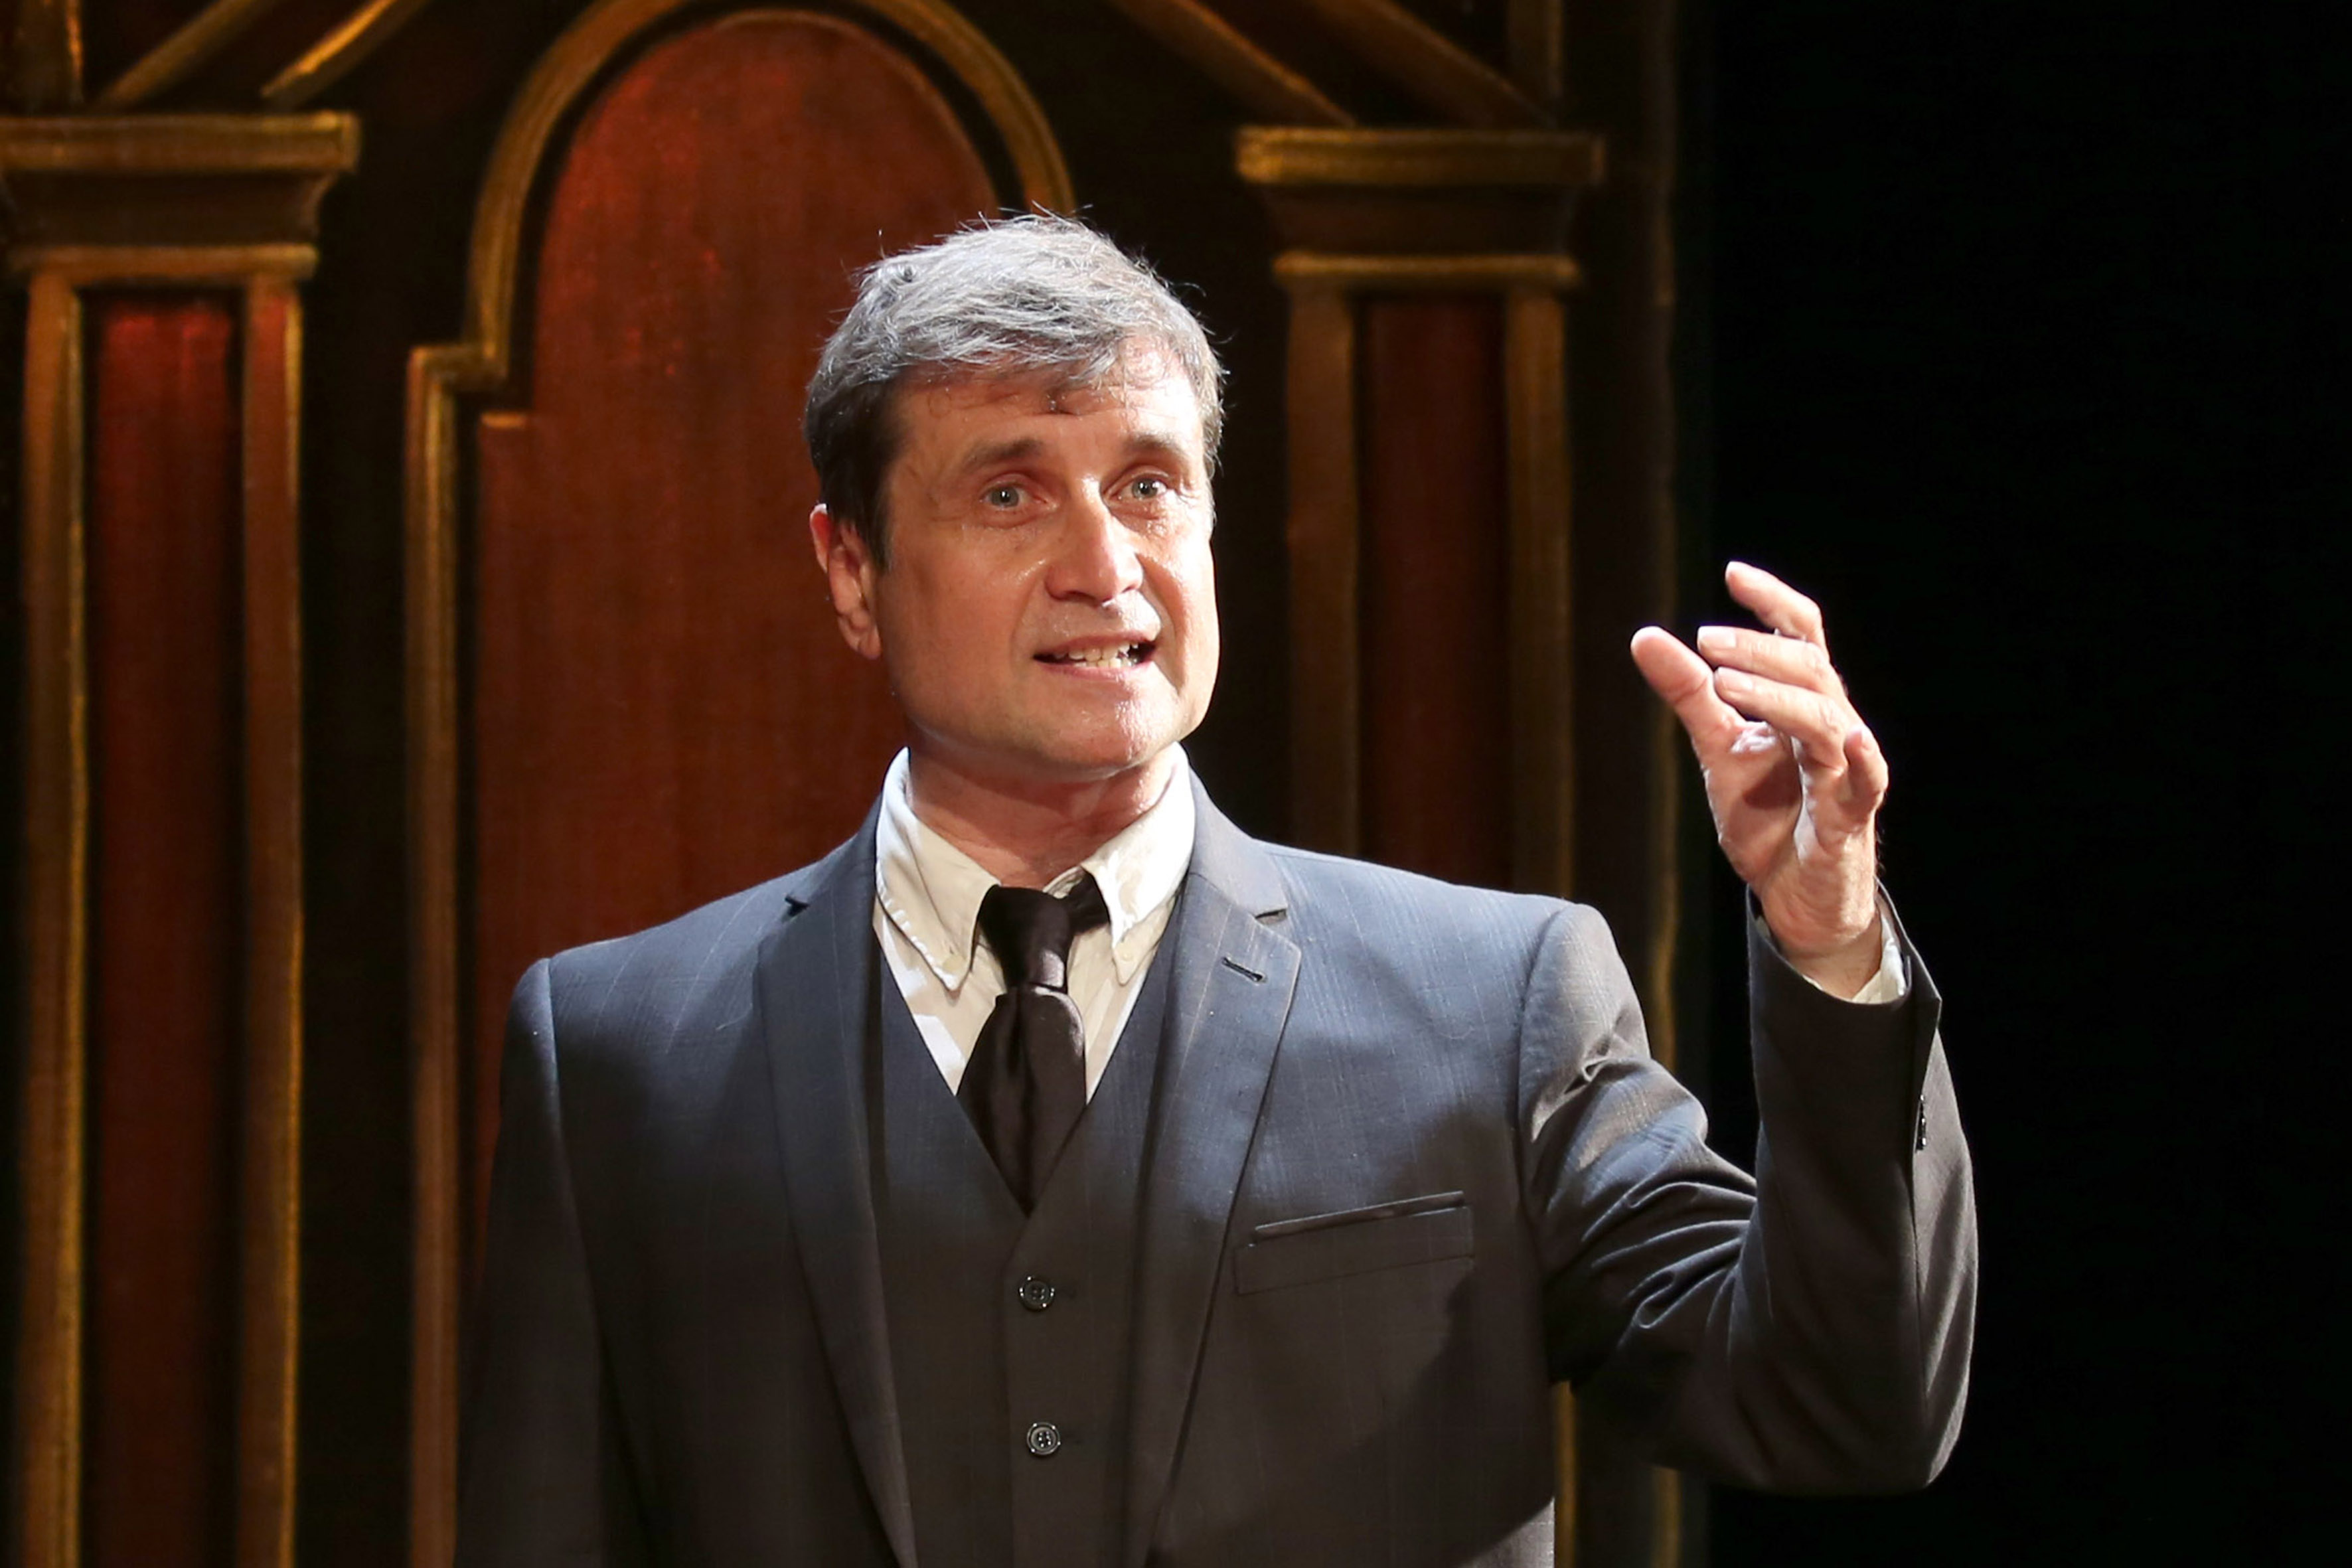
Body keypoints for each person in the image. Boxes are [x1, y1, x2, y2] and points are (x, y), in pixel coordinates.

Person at [456, 216, 1974, 1567]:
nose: (1103, 563)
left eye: (1148, 485)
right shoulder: (618, 1053)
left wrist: (1827, 935)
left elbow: (1841, 1405)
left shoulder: (1495, 999)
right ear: (851, 572)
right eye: (1009, 491)